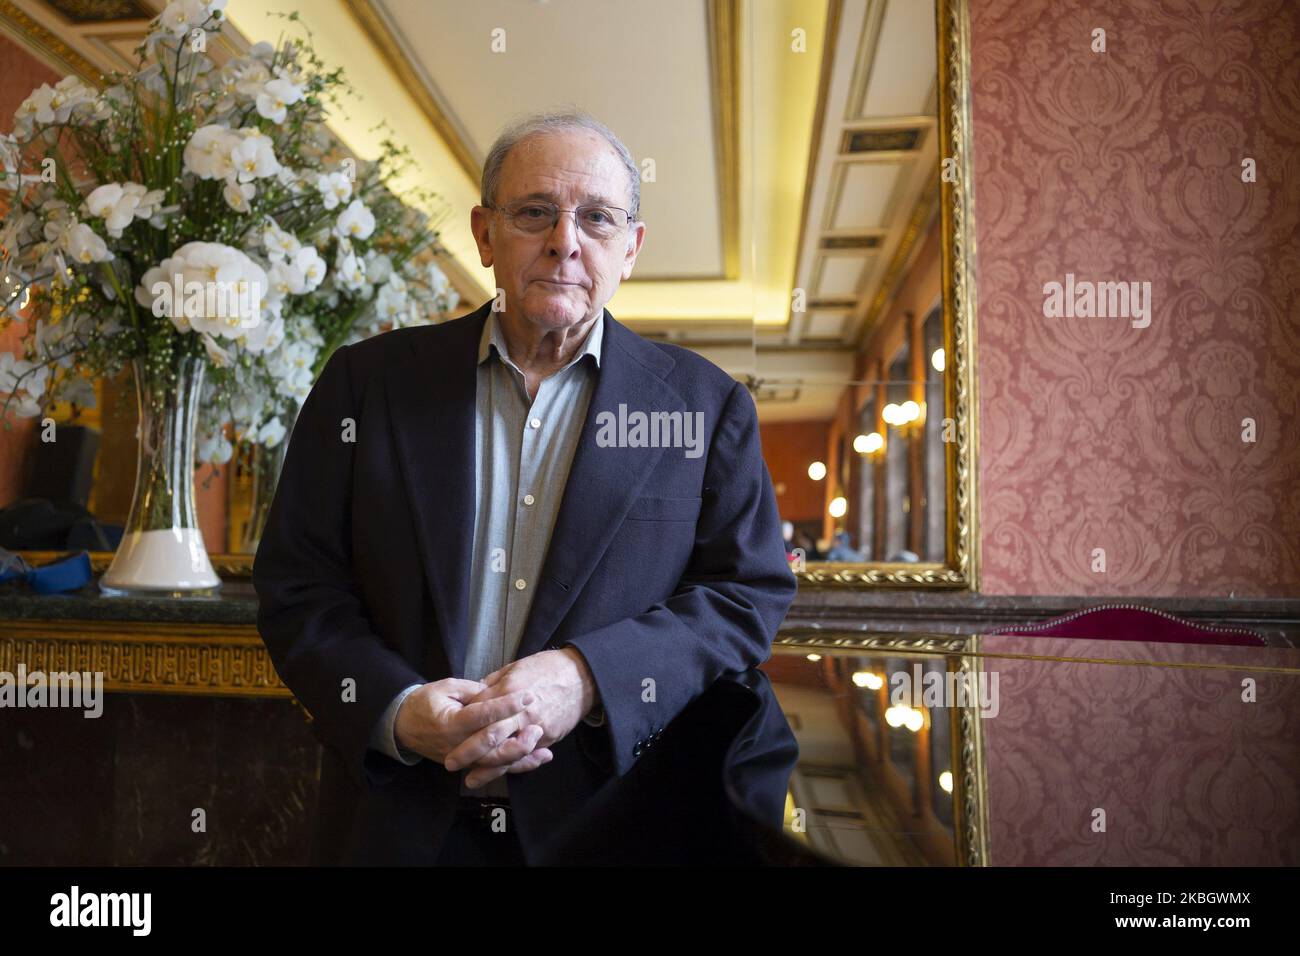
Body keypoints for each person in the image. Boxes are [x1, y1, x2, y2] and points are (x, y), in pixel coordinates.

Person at [252, 110, 798, 865]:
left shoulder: (706, 407)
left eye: (597, 218)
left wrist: (587, 677)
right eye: (535, 211)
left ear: (630, 248)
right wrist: (400, 711)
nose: (564, 241)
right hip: (399, 821)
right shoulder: (364, 384)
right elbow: (298, 586)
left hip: (614, 826)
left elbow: (746, 597)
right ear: (484, 234)